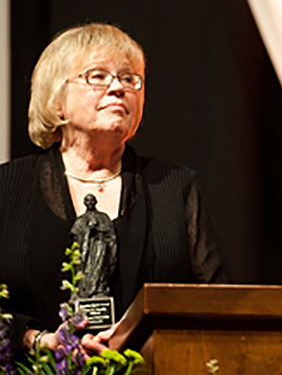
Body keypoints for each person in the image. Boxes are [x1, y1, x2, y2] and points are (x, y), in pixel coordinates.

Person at [0, 22, 225, 362]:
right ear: (57, 101)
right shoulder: (7, 187)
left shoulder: (175, 186)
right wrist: (37, 339)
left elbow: (218, 303)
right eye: (98, 76)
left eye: (129, 78)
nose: (118, 88)